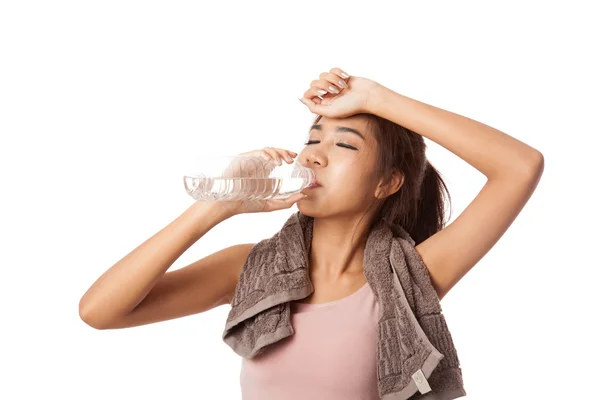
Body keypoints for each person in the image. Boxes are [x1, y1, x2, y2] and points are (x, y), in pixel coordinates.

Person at [79, 67, 544, 398]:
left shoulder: (411, 277)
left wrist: (375, 98)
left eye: (343, 144)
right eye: (311, 138)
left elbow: (520, 167)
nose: (314, 156)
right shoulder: (249, 269)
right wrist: (215, 207)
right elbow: (100, 312)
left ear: (388, 182)